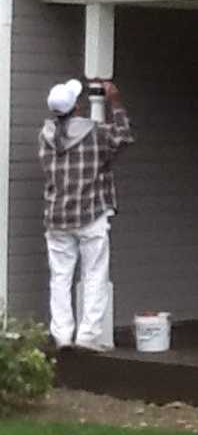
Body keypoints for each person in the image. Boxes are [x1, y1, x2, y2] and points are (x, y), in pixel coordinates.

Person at [39, 78, 133, 349]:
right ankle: (88, 337)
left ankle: (62, 336)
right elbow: (124, 136)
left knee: (60, 278)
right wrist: (114, 101)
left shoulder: (44, 136)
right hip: (90, 214)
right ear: (77, 106)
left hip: (57, 216)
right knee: (94, 274)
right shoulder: (95, 133)